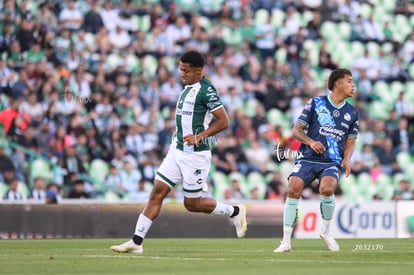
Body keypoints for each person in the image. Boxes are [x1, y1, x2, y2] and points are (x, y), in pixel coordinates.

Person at [111, 50, 247, 254]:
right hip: (177, 150)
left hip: (195, 155)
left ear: (198, 70)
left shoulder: (206, 90)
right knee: (157, 192)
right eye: (180, 69)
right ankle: (136, 242)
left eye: (186, 70)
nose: (182, 73)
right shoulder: (187, 88)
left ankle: (235, 211)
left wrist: (199, 137)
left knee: (192, 204)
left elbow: (224, 121)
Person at [274, 68, 359, 253]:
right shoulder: (315, 103)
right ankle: (286, 241)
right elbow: (297, 130)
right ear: (338, 83)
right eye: (350, 81)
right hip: (308, 158)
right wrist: (311, 142)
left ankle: (325, 232)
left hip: (331, 161)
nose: (353, 86)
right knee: (293, 188)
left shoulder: (352, 112)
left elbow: (351, 140)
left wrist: (347, 158)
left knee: (327, 189)